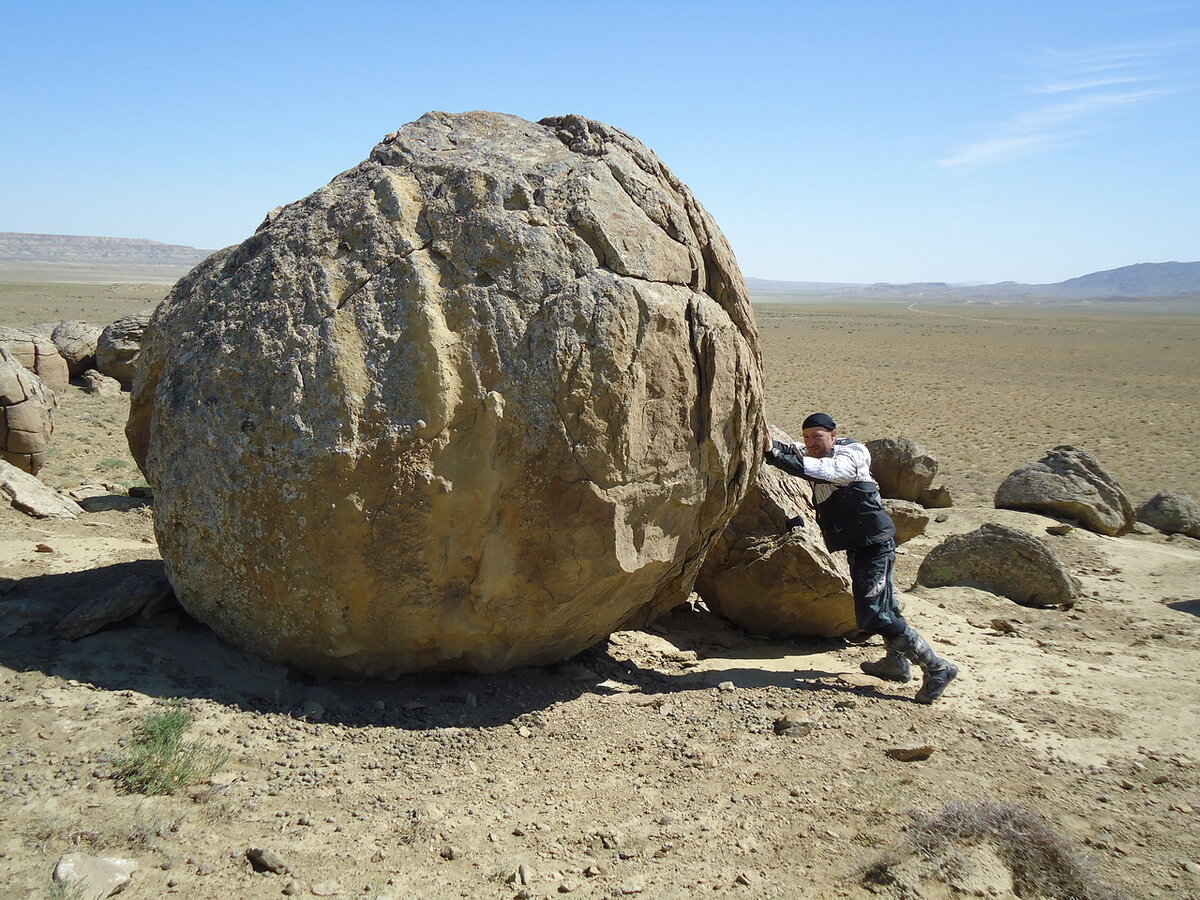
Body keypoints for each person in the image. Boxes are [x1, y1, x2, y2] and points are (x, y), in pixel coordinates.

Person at [763, 412, 958, 703]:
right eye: (806, 437)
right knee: (887, 605)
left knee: (874, 613)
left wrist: (773, 455)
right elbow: (795, 449)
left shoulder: (850, 455)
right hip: (862, 543)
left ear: (834, 434)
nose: (810, 443)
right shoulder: (816, 449)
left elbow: (823, 470)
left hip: (874, 544)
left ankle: (938, 667)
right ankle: (896, 662)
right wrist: (772, 443)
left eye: (816, 436)